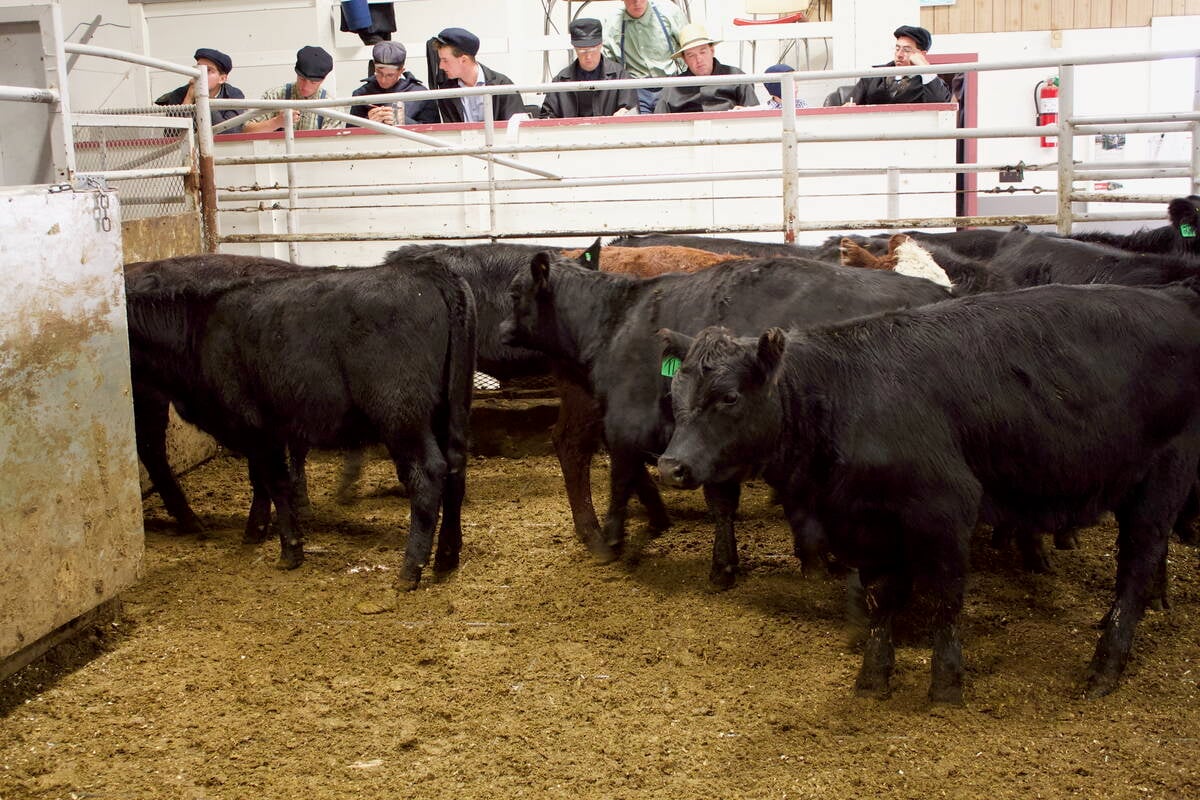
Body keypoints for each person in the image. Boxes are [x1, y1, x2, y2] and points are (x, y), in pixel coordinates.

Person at [539, 18, 637, 119]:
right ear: (574, 48)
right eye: (582, 50)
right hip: (572, 129)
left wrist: (625, 112)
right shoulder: (560, 81)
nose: (588, 56)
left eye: (593, 49)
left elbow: (632, 109)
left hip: (609, 129)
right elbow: (546, 116)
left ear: (601, 45)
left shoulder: (620, 76)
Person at [602, 0, 687, 114]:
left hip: (669, 83)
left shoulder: (669, 12)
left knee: (671, 122)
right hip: (635, 88)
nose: (637, 2)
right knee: (638, 123)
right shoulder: (613, 23)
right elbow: (609, 64)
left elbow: (689, 48)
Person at [653, 23, 758, 114]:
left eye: (702, 52)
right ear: (685, 60)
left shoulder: (736, 77)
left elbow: (756, 115)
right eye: (691, 55)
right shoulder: (673, 87)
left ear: (712, 51)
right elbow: (658, 124)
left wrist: (744, 113)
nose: (699, 59)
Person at [241, 46, 345, 134]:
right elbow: (246, 130)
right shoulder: (274, 96)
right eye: (302, 79)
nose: (305, 87)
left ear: (323, 79)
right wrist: (276, 122)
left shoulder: (333, 108)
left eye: (313, 82)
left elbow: (329, 145)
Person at [432, 27, 525, 123]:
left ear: (463, 60)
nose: (441, 66)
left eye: (445, 60)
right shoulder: (446, 92)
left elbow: (517, 127)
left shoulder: (503, 86)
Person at [844, 25, 952, 106]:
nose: (899, 54)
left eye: (906, 50)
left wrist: (925, 67)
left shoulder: (929, 82)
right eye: (897, 48)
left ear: (922, 54)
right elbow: (849, 104)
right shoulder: (873, 75)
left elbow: (941, 105)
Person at [154, 48, 245, 133]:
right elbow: (172, 134)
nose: (200, 74)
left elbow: (230, 131)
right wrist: (189, 98)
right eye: (198, 69)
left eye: (208, 70)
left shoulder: (234, 94)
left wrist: (205, 98)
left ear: (222, 79)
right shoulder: (179, 94)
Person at [349, 41, 439, 126]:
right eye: (379, 73)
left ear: (401, 71)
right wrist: (367, 123)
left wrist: (405, 122)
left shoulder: (421, 95)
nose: (383, 80)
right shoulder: (361, 94)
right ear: (373, 66)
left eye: (390, 75)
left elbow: (436, 132)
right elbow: (348, 133)